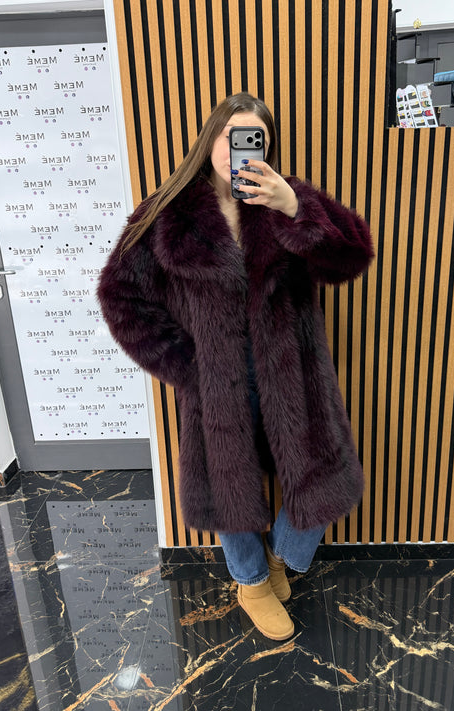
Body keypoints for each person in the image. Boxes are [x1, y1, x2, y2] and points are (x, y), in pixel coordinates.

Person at [97, 93, 374, 641]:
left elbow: (352, 255)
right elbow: (119, 295)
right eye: (231, 136)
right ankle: (251, 582)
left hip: (293, 373)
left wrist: (293, 208)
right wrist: (187, 365)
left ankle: (280, 559)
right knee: (230, 486)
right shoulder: (168, 213)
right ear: (211, 140)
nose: (240, 149)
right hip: (216, 380)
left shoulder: (286, 198)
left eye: (255, 139)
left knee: (320, 474)